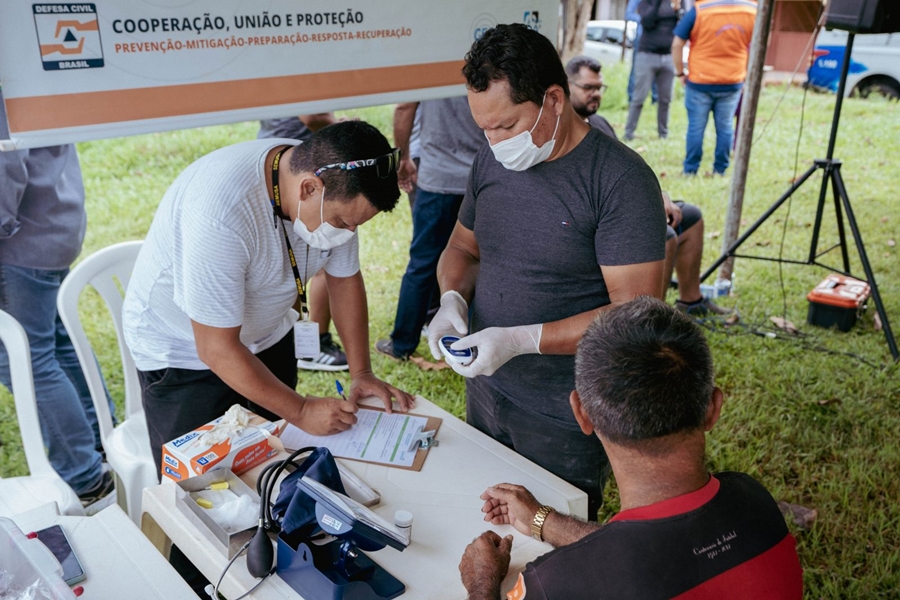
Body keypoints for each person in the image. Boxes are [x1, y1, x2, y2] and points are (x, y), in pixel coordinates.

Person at [430, 24, 666, 517]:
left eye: (507, 126)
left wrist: (521, 339)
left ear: (555, 100)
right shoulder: (490, 161)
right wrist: (452, 299)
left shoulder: (619, 180)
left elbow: (636, 315)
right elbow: (462, 246)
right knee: (486, 516)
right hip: (487, 386)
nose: (494, 142)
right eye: (484, 128)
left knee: (552, 540)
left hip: (566, 411)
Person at [459, 296, 804, 599]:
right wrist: (540, 519)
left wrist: (482, 582)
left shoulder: (556, 583)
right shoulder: (754, 502)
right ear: (713, 408)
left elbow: (632, 556)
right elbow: (663, 551)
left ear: (582, 414)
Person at [122, 120, 414, 475]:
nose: (348, 233)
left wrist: (362, 372)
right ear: (308, 188)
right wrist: (302, 410)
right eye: (342, 222)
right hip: (184, 355)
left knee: (272, 464)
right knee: (203, 486)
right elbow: (216, 348)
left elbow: (345, 280)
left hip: (269, 334)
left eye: (357, 225)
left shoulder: (329, 179)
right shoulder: (219, 214)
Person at [0, 89, 114, 506]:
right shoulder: (25, 66)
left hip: (20, 241)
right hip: (52, 224)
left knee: (26, 361)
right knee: (56, 347)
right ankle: (102, 445)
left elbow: (3, 162)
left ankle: (84, 476)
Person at [566, 55, 733, 317]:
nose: (595, 94)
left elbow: (626, 174)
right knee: (663, 236)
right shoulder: (564, 131)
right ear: (566, 87)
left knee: (691, 218)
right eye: (588, 88)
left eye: (599, 88)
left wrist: (659, 196)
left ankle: (691, 302)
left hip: (624, 208)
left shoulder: (600, 125)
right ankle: (652, 320)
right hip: (601, 220)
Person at [375, 97, 484, 360]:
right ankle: (473, 343)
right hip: (483, 174)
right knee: (481, 261)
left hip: (439, 176)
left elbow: (404, 105)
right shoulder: (491, 56)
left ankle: (401, 344)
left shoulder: (425, 59)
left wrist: (401, 158)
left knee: (423, 263)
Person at [257, 113, 350, 372]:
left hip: (280, 164)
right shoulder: (306, 79)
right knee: (315, 261)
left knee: (296, 264)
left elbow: (348, 278)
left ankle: (304, 342)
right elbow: (313, 116)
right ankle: (313, 344)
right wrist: (344, 133)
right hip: (300, 167)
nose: (351, 229)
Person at [672, 0, 757, 175]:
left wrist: (680, 72)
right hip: (732, 79)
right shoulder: (752, 10)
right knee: (725, 127)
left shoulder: (700, 9)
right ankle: (720, 169)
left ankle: (690, 169)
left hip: (700, 80)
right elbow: (762, 42)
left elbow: (677, 44)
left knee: (696, 127)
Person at [624, 0, 682, 141]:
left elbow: (682, 26)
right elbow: (647, 21)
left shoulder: (676, 2)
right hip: (647, 55)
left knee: (665, 99)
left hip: (668, 56)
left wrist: (677, 11)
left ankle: (663, 134)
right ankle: (628, 133)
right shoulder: (647, 2)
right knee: (639, 97)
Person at [626, 0, 658, 105]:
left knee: (657, 67)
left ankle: (656, 99)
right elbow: (629, 14)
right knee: (636, 68)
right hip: (642, 36)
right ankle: (631, 98)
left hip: (657, 36)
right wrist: (645, 19)